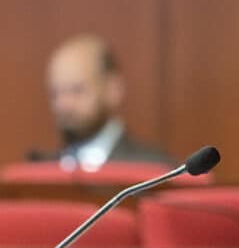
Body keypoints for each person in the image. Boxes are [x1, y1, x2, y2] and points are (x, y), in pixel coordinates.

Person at [29, 33, 174, 169]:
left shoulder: (155, 169)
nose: (63, 105)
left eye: (77, 90)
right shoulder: (40, 171)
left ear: (112, 89)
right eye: (55, 93)